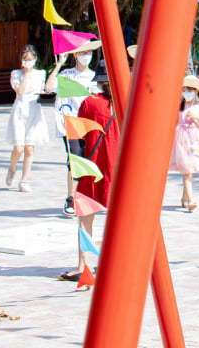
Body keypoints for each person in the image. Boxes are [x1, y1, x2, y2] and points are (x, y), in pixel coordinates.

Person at [64, 76, 116, 281]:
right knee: (118, 219)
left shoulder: (90, 102)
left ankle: (83, 265)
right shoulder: (126, 101)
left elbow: (80, 135)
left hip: (92, 166)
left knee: (85, 218)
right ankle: (114, 263)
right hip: (118, 167)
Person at [6, 46, 57, 193]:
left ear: (35, 60)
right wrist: (26, 74)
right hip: (20, 110)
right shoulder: (16, 74)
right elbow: (20, 91)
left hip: (34, 110)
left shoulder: (41, 74)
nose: (28, 62)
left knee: (29, 147)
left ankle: (24, 180)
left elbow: (44, 89)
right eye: (25, 59)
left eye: (30, 59)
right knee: (18, 146)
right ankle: (12, 168)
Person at [56, 44, 99, 215]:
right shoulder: (67, 75)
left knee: (89, 160)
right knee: (74, 161)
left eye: (89, 52)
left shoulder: (96, 76)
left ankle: (86, 196)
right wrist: (59, 64)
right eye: (82, 52)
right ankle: (70, 198)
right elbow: (49, 87)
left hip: (92, 126)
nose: (86, 56)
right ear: (75, 54)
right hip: (72, 124)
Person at [170, 77, 199, 211]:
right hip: (181, 139)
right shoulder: (179, 106)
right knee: (187, 170)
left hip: (195, 141)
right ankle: (191, 200)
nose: (187, 92)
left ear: (196, 91)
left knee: (190, 169)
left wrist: (197, 118)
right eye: (185, 89)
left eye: (190, 90)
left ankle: (184, 197)